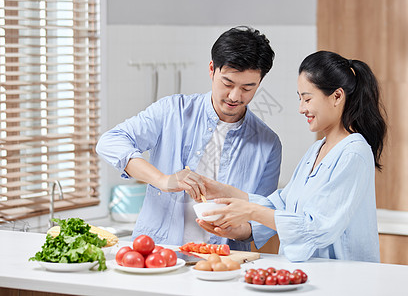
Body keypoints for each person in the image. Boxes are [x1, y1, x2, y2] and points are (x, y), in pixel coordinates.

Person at [96, 26, 282, 251]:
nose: (235, 96)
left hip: (221, 262)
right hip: (158, 254)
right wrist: (163, 180)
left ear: (259, 83)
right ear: (212, 70)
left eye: (247, 88)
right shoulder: (172, 111)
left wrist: (237, 230)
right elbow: (110, 141)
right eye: (228, 83)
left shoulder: (268, 145)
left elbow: (264, 218)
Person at [196, 50, 387, 262]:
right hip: (309, 275)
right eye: (300, 99)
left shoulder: (354, 153)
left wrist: (250, 212)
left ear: (337, 96)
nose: (301, 108)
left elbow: (317, 229)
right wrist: (227, 194)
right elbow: (283, 204)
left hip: (341, 279)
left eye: (307, 99)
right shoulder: (317, 150)